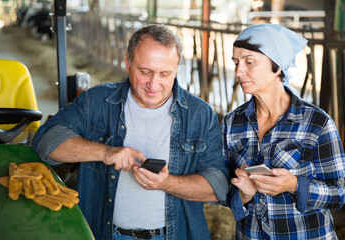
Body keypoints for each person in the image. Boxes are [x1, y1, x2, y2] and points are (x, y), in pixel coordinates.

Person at [32, 24, 229, 240]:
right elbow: (45, 141)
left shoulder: (200, 114)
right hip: (105, 233)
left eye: (165, 74)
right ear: (128, 63)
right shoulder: (96, 101)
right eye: (145, 72)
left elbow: (217, 186)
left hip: (173, 235)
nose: (154, 84)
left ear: (177, 68)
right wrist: (106, 152)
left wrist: (166, 183)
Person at [222, 23, 345, 239]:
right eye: (236, 62)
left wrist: (295, 185)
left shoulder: (316, 123)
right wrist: (243, 194)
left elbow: (340, 193)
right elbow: (222, 190)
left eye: (249, 62)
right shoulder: (232, 123)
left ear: (277, 66)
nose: (238, 71)